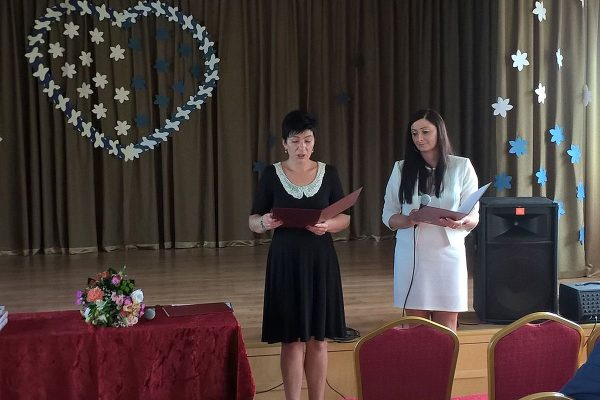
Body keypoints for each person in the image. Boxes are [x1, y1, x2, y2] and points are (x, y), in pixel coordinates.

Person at [249, 110, 350, 400]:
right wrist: (263, 222)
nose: (302, 147)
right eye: (295, 141)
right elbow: (253, 220)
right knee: (291, 340)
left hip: (320, 260)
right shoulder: (271, 175)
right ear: (284, 143)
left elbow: (345, 217)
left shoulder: (329, 173)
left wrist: (328, 225)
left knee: (319, 339)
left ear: (314, 141)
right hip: (285, 261)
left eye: (307, 140)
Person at [381, 109, 479, 331]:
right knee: (417, 326)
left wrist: (462, 222)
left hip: (448, 253)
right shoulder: (401, 168)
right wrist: (408, 220)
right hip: (412, 254)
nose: (419, 138)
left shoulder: (461, 166)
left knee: (447, 327)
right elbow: (388, 215)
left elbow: (474, 216)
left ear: (439, 133)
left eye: (425, 132)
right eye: (414, 133)